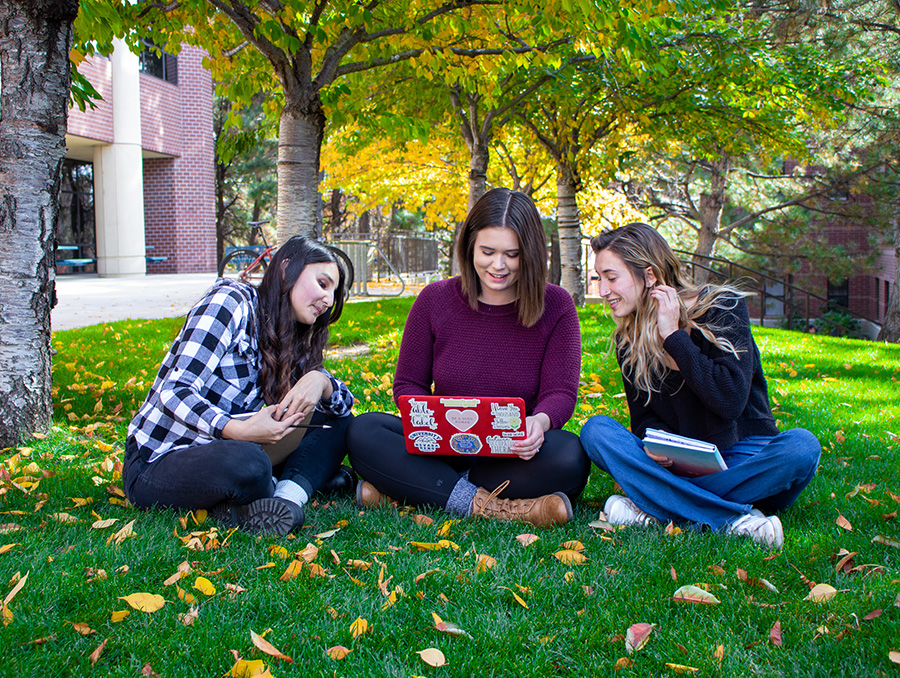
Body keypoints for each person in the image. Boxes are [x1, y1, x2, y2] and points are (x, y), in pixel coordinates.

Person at [346, 188, 589, 527]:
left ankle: (413, 489)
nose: (498, 266)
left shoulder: (557, 306)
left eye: (512, 254)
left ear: (531, 254)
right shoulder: (435, 299)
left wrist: (541, 422)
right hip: (438, 446)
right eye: (487, 251)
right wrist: (425, 418)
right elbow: (408, 383)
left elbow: (560, 393)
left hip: (510, 454)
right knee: (364, 430)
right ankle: (488, 507)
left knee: (570, 457)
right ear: (469, 246)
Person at [581, 223, 820, 547]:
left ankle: (656, 507)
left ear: (649, 275)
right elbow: (644, 419)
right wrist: (656, 444)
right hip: (677, 466)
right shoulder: (629, 339)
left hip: (744, 460)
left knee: (803, 447)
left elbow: (730, 400)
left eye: (611, 277)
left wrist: (674, 337)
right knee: (596, 430)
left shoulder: (722, 307)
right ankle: (736, 521)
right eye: (600, 279)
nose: (604, 290)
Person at [123, 236, 355, 536]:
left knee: (336, 419)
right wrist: (237, 430)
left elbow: (343, 405)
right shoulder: (230, 301)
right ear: (286, 269)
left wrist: (320, 381)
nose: (328, 300)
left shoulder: (289, 335)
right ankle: (295, 482)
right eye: (323, 284)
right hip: (158, 460)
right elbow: (175, 390)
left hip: (228, 448)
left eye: (334, 292)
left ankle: (285, 501)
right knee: (249, 464)